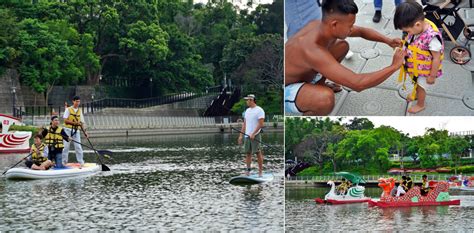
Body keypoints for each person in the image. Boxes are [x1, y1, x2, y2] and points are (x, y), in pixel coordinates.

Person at [285, 0, 404, 115]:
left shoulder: (323, 25)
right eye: (350, 25)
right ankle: (308, 110)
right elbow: (358, 83)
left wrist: (388, 41)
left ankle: (318, 85)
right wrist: (393, 67)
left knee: (341, 46)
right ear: (335, 24)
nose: (352, 28)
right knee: (325, 99)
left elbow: (362, 31)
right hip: (286, 86)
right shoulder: (312, 49)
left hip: (306, 72)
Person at [394, 1, 444, 114]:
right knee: (416, 83)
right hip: (417, 67)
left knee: (421, 87)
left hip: (426, 72)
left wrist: (432, 76)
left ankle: (421, 104)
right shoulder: (418, 28)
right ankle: (416, 95)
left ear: (417, 24)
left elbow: (436, 58)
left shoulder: (432, 38)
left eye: (407, 31)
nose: (407, 33)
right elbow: (414, 43)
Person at [238, 94, 265, 177]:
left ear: (252, 100)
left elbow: (261, 124)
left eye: (247, 100)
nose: (246, 101)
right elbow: (244, 124)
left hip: (255, 135)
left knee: (258, 153)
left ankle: (260, 172)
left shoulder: (259, 110)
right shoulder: (247, 111)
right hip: (247, 136)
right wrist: (241, 136)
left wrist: (253, 133)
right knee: (248, 153)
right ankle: (248, 171)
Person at [62, 95, 88, 167]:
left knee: (78, 146)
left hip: (76, 131)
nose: (78, 103)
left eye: (79, 101)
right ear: (73, 101)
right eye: (76, 101)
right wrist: (75, 123)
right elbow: (65, 120)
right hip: (67, 130)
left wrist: (85, 132)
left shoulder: (80, 111)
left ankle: (81, 162)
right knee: (65, 146)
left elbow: (82, 122)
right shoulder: (68, 109)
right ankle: (64, 162)